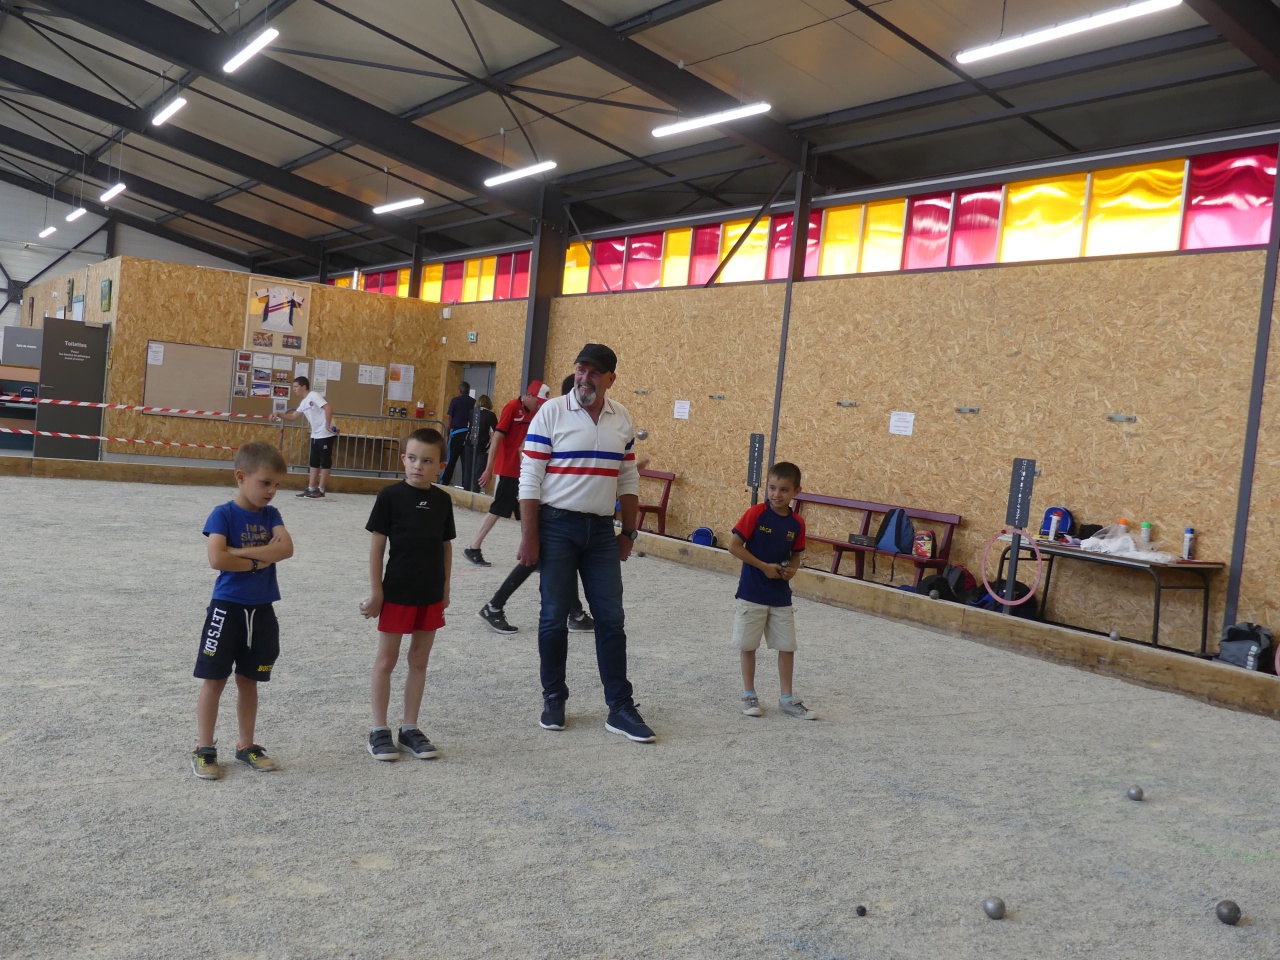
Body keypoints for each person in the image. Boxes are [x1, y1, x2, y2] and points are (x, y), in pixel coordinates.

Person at [518, 343, 655, 743]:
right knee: (553, 616)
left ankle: (620, 708)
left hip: (600, 532)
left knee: (611, 618)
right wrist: (529, 537)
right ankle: (554, 698)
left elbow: (628, 478)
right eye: (581, 370)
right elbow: (530, 476)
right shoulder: (551, 411)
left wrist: (628, 532)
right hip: (556, 527)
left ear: (611, 378)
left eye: (594, 373)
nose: (585, 378)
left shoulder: (621, 417)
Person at [191, 440, 295, 780]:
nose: (271, 491)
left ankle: (246, 745)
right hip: (228, 608)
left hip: (261, 610)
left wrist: (239, 552)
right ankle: (204, 747)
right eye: (265, 483)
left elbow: (286, 550)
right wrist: (258, 560)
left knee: (249, 680)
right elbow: (216, 558)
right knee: (214, 679)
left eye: (276, 484)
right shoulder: (222, 514)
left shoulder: (271, 515)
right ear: (241, 477)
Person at [360, 427, 455, 762]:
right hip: (397, 593)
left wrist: (445, 589)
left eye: (427, 461)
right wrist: (377, 592)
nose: (418, 466)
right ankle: (378, 730)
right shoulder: (389, 497)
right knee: (386, 661)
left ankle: (410, 728)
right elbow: (377, 547)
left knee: (419, 661)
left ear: (440, 466)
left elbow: (445, 547)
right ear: (403, 459)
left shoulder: (443, 501)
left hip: (429, 594)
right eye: (413, 458)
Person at [476, 374, 594, 636]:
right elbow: (524, 452)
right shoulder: (554, 419)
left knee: (560, 559)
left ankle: (575, 614)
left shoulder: (571, 422)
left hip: (557, 505)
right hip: (547, 503)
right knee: (535, 558)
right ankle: (494, 606)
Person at [727, 461, 817, 720]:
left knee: (787, 646)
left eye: (784, 490)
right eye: (772, 488)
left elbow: (796, 554)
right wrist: (764, 567)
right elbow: (734, 546)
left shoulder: (797, 523)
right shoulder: (755, 513)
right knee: (748, 646)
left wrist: (793, 569)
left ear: (797, 491)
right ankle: (749, 695)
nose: (777, 494)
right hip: (751, 593)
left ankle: (787, 699)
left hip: (780, 596)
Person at [462, 380, 551, 567]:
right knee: (498, 509)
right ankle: (473, 547)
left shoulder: (535, 412)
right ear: (529, 395)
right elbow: (496, 438)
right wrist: (489, 469)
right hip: (508, 469)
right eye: (538, 402)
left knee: (526, 512)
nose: (539, 406)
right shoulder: (512, 408)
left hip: (522, 470)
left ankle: (530, 555)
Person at [274, 376, 338, 500]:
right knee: (314, 461)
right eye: (293, 387)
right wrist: (278, 414)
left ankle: (321, 490)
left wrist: (327, 425)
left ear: (304, 386)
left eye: (296, 386)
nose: (294, 389)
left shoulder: (314, 395)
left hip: (325, 433)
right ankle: (311, 488)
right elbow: (293, 417)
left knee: (325, 461)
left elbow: (328, 408)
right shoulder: (304, 402)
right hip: (315, 434)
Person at [439, 381, 475, 487]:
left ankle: (444, 483)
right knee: (466, 463)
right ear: (468, 391)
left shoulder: (455, 401)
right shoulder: (474, 402)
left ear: (459, 391)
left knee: (450, 460)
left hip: (456, 434)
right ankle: (466, 486)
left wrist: (446, 435)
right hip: (468, 435)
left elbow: (449, 418)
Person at [463, 394, 497, 493]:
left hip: (469, 444)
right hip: (482, 446)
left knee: (468, 470)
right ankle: (475, 493)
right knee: (478, 471)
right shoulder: (490, 415)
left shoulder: (471, 412)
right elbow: (496, 432)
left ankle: (465, 492)